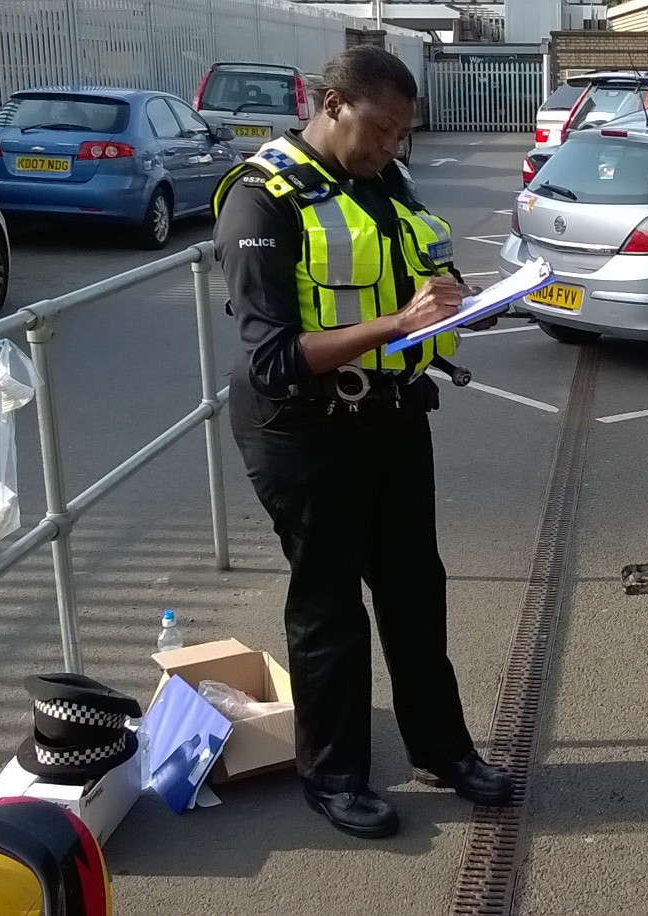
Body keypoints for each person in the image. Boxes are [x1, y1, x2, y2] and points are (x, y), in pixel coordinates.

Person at [211, 46, 509, 840]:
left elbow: (421, 279)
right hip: (303, 430)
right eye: (380, 128)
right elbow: (271, 358)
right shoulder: (260, 200)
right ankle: (335, 777)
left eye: (402, 134)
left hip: (394, 415)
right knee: (330, 605)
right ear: (331, 103)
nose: (390, 147)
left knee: (416, 590)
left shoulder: (381, 183)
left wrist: (462, 302)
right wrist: (398, 324)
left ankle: (443, 752)